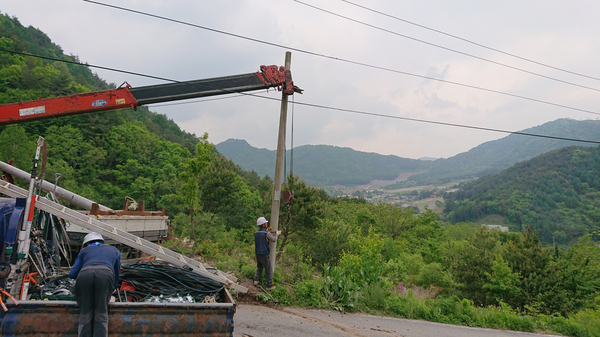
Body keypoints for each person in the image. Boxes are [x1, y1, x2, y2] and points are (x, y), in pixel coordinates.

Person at [69, 232, 121, 337]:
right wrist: (112, 288)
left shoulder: (84, 251)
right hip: (106, 275)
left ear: (86, 243)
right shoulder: (115, 251)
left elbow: (72, 274)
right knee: (101, 311)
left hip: (85, 275)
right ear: (102, 241)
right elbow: (116, 273)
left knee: (85, 311)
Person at [253, 216, 280, 290]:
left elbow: (262, 237)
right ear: (263, 225)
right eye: (265, 223)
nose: (266, 223)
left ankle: (256, 280)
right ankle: (269, 285)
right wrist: (277, 234)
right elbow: (273, 239)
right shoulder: (266, 233)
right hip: (264, 253)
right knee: (268, 269)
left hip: (258, 253)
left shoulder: (256, 233)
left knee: (259, 267)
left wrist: (267, 231)